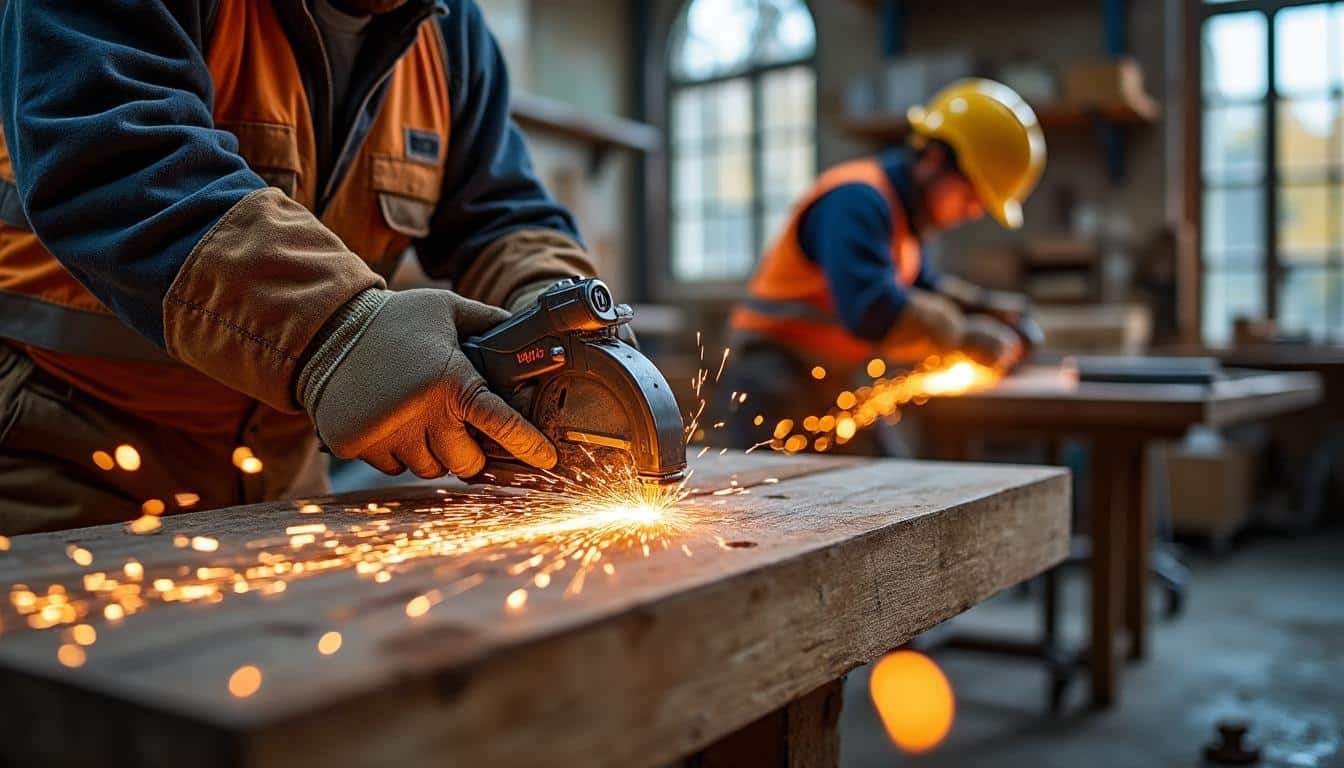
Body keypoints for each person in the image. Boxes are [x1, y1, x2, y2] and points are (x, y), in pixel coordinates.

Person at [0, 0, 601, 532]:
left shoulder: (448, 30)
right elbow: (118, 156)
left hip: (282, 466)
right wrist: (339, 331)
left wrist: (554, 305)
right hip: (65, 444)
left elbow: (503, 214)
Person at [719, 78, 1046, 454]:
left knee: (892, 483)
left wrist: (990, 309)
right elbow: (872, 309)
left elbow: (924, 288)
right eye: (972, 195)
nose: (972, 212)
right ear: (935, 159)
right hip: (772, 384)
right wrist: (965, 338)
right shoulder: (857, 201)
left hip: (827, 381)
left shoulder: (902, 219)